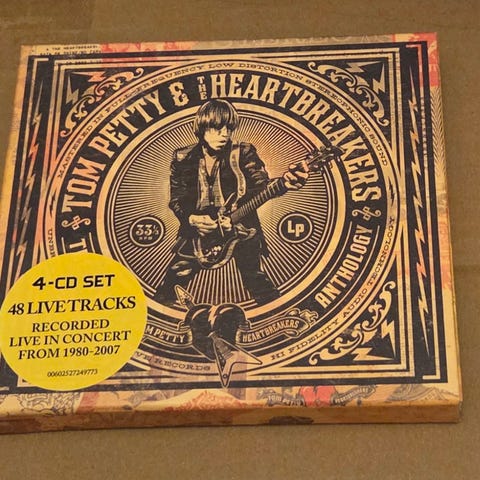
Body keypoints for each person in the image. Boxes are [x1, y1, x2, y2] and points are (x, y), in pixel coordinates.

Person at [155, 99, 308, 306]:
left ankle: (279, 318)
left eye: (229, 128)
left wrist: (285, 184)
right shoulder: (183, 157)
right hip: (198, 234)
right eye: (217, 128)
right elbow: (177, 199)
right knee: (172, 282)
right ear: (202, 128)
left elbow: (261, 186)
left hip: (241, 227)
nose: (224, 134)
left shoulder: (243, 152)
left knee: (256, 279)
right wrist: (191, 219)